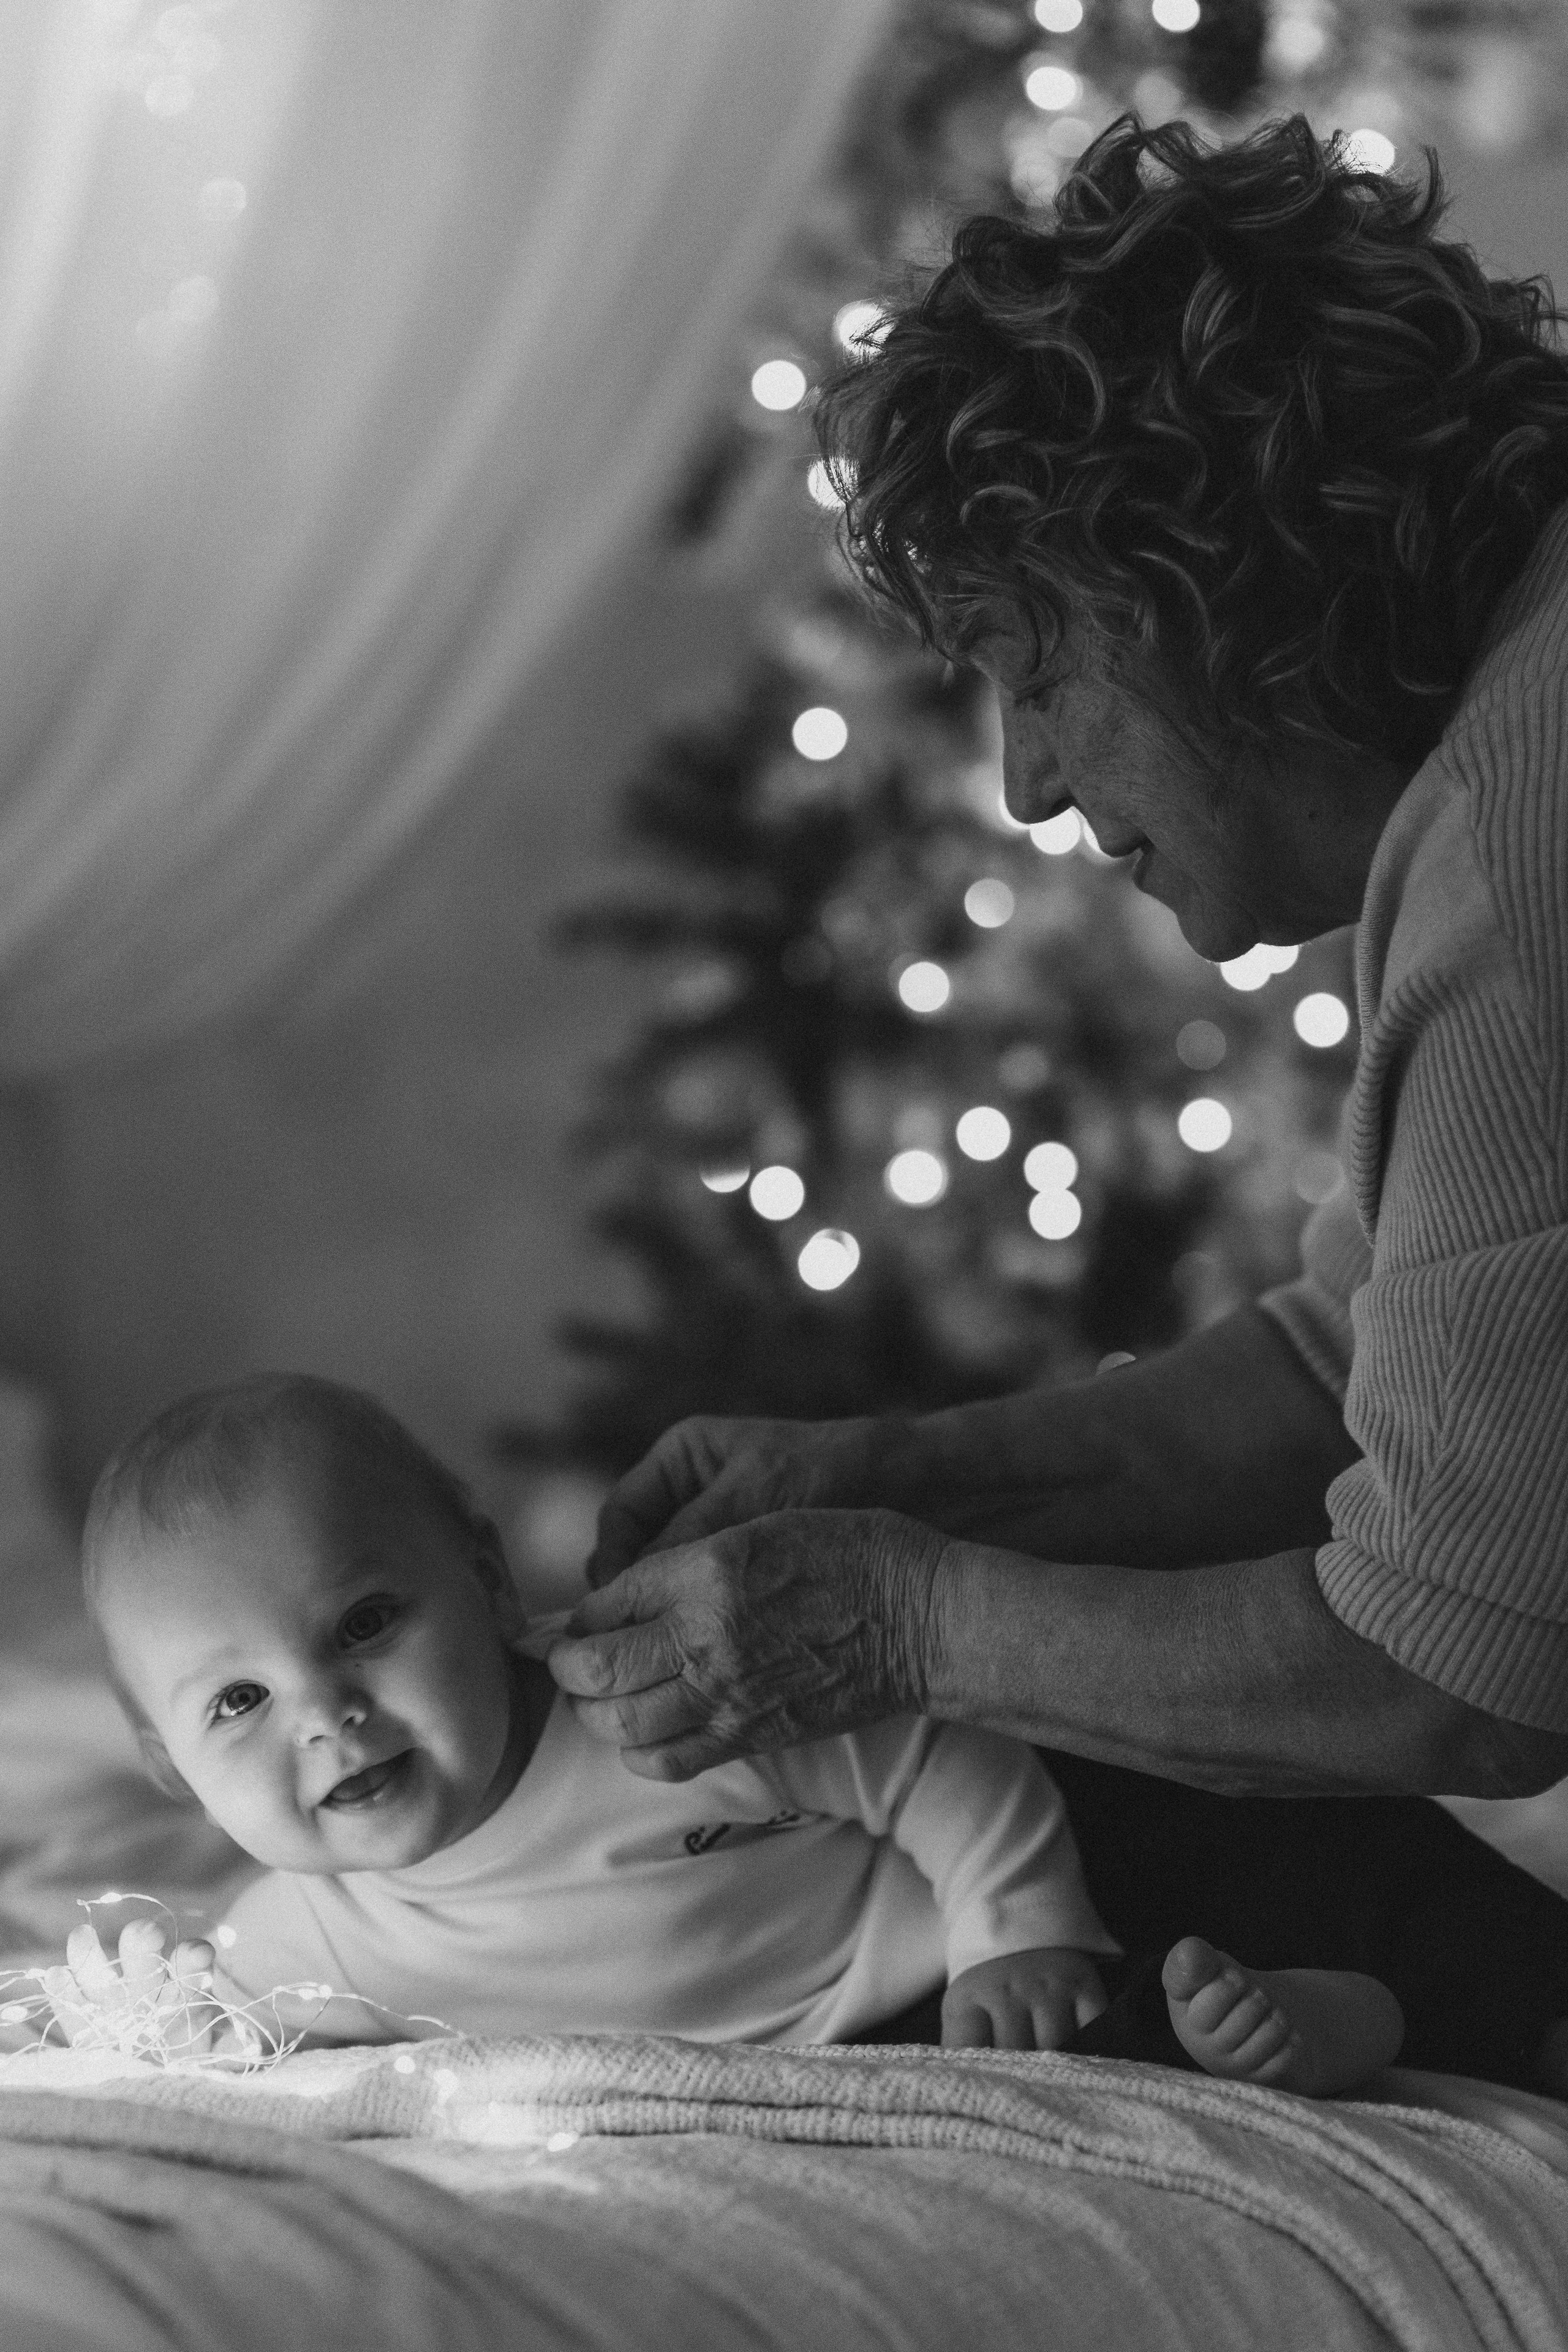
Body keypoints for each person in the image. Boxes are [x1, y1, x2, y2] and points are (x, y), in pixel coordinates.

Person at [543, 115, 1568, 2095]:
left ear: (1213, 589)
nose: (1026, 784)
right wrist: (905, 1477)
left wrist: (899, 1623)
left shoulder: (1525, 869)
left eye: (1042, 675)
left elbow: (1458, 1672)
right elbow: (1338, 1366)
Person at [44, 1371, 1413, 2092]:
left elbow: (928, 1747)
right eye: (237, 1702)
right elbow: (214, 2032)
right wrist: (161, 2016)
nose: (327, 1714)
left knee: (1088, 2035)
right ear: (170, 1766)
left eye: (362, 1624)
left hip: (912, 1990)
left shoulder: (650, 1704)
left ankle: (1336, 2018)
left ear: (483, 1575)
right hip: (788, 2093)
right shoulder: (295, 1937)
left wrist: (1018, 1928)